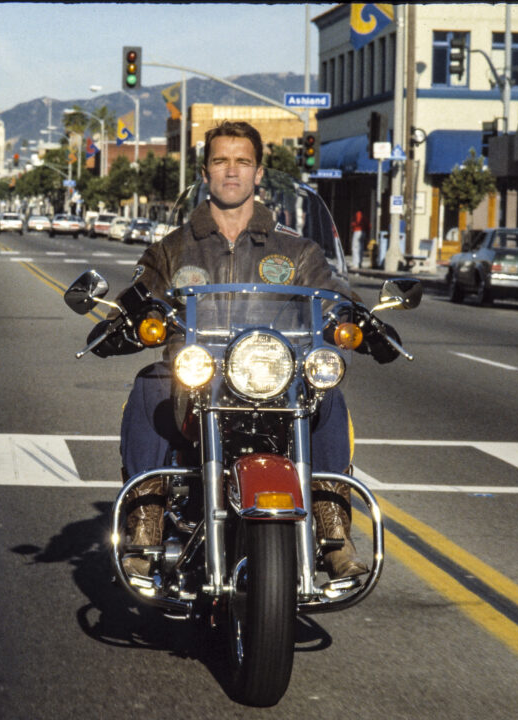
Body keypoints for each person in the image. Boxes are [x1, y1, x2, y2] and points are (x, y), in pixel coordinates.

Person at [91, 121, 400, 580]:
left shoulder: (297, 251)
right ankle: (145, 524)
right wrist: (125, 321)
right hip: (195, 380)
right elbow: (139, 297)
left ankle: (334, 530)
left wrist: (358, 320)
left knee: (328, 389)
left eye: (242, 162)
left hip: (275, 377)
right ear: (204, 172)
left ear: (259, 173)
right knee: (150, 384)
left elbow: (333, 295)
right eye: (220, 161)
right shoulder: (171, 250)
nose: (231, 172)